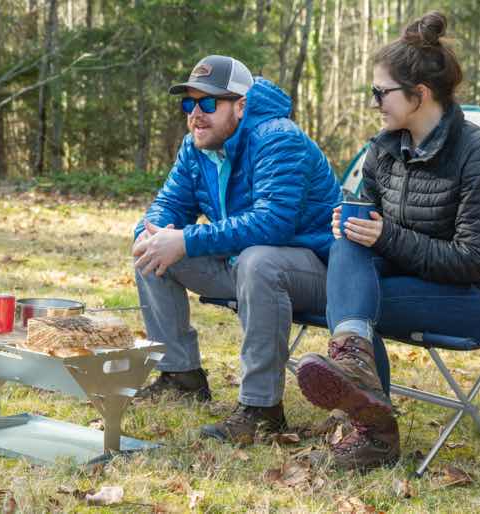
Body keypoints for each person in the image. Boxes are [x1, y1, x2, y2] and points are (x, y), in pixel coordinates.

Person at [295, 12, 480, 470]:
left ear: (420, 94)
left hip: (477, 299)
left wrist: (386, 236)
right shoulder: (384, 149)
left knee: (355, 306)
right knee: (349, 247)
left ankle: (370, 423)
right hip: (409, 284)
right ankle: (366, 403)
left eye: (382, 92)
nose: (375, 102)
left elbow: (472, 260)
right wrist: (357, 229)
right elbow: (373, 236)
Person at [132, 55, 340, 444]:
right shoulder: (195, 146)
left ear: (240, 106)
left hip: (317, 271)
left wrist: (188, 239)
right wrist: (154, 232)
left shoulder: (279, 137)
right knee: (150, 250)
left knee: (257, 260)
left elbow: (272, 222)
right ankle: (181, 375)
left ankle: (262, 410)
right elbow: (168, 205)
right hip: (242, 265)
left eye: (209, 103)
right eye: (188, 103)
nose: (196, 114)